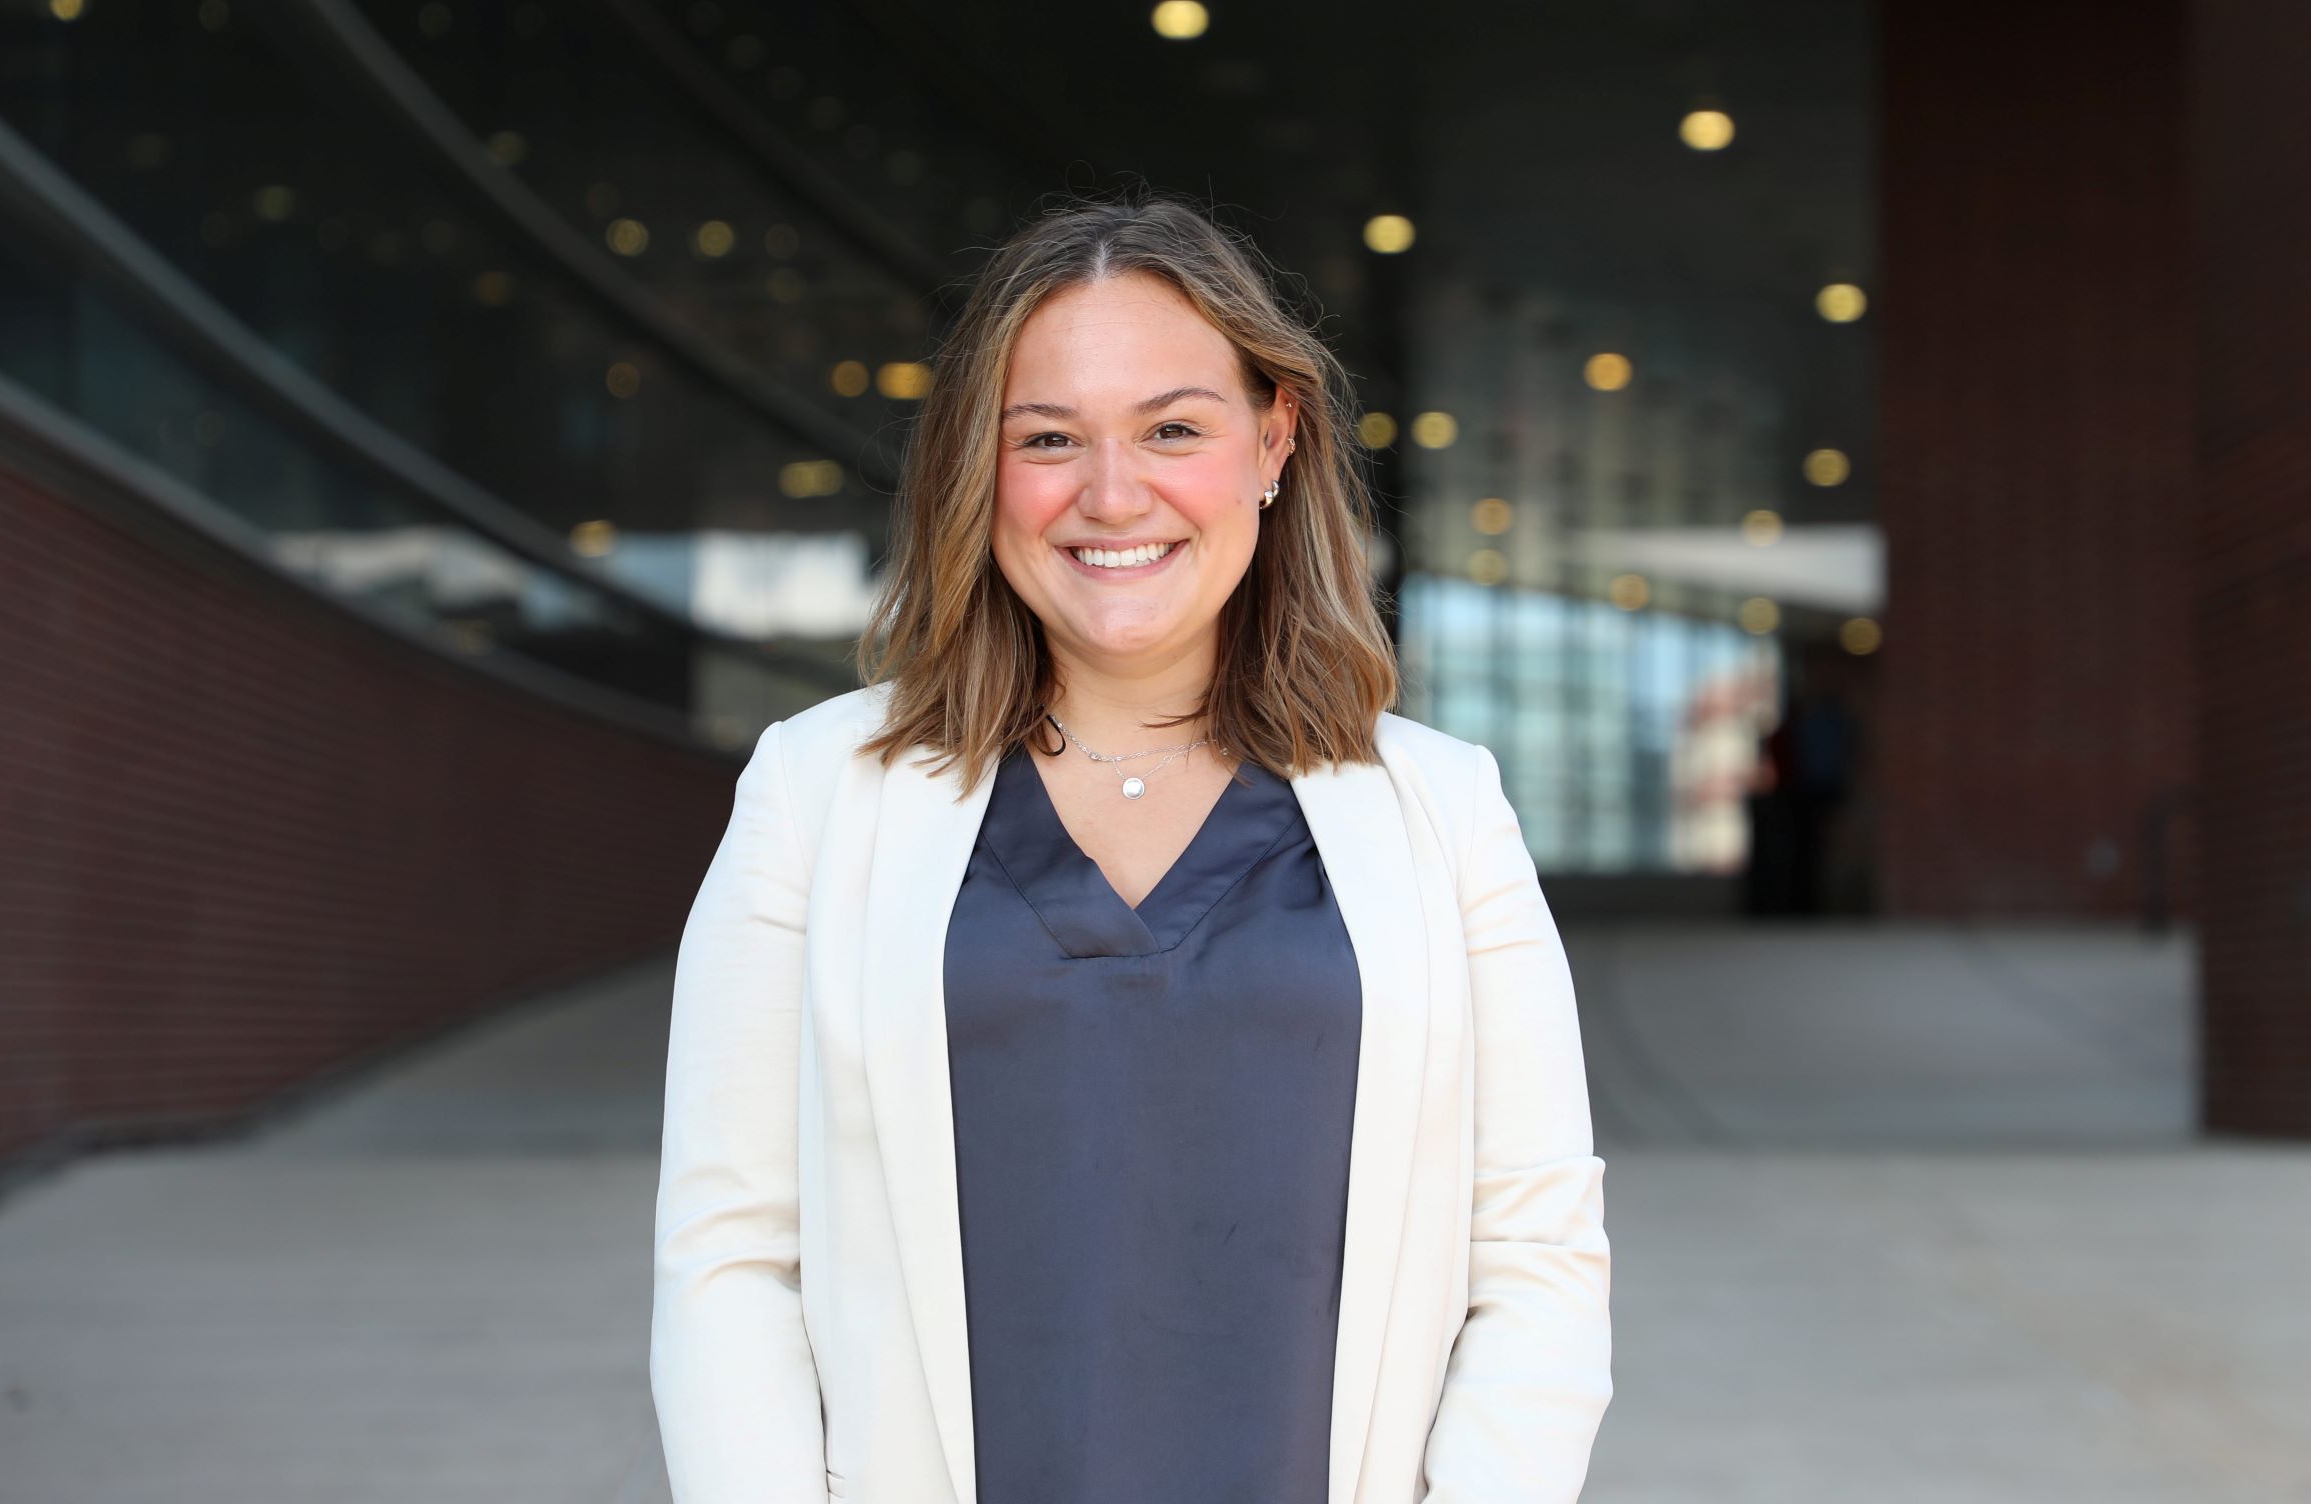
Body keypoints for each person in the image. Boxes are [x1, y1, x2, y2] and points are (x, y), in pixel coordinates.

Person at [649, 192, 1612, 1504]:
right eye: (1048, 438)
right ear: (979, 468)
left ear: (1272, 442)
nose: (1111, 496)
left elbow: (1539, 1262)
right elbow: (727, 1260)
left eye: (1172, 429)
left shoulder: (1443, 813)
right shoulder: (817, 799)